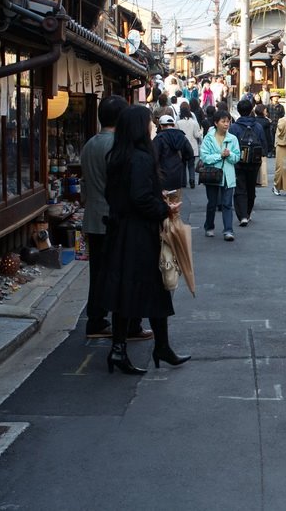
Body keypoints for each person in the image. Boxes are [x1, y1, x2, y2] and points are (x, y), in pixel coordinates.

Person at [102, 105, 190, 374]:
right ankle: (153, 347)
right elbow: (140, 198)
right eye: (147, 123)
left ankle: (127, 349)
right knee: (152, 287)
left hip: (121, 231)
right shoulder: (139, 158)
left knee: (127, 290)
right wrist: (164, 208)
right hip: (139, 234)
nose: (151, 126)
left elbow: (119, 195)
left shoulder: (117, 156)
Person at [80, 96, 153, 342]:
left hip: (92, 216)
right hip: (114, 218)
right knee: (123, 274)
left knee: (98, 273)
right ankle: (129, 325)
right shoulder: (118, 146)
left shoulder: (90, 143)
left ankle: (96, 320)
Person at [200, 109, 241, 241]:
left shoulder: (232, 138)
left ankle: (228, 231)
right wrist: (220, 155)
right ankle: (209, 226)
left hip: (228, 176)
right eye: (223, 121)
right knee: (212, 203)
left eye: (228, 121)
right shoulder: (208, 138)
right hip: (212, 174)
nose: (226, 124)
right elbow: (205, 157)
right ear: (216, 123)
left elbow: (237, 157)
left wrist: (230, 155)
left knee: (227, 204)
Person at [228, 99, 269, 226]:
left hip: (239, 161)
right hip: (254, 162)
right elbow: (263, 144)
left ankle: (242, 216)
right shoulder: (257, 126)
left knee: (240, 187)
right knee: (251, 187)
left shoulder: (234, 127)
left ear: (239, 111)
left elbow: (229, 145)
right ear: (251, 110)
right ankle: (248, 212)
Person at [153, 115, 194, 199]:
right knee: (176, 205)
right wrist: (182, 160)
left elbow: (154, 157)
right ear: (173, 125)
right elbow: (190, 153)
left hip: (162, 177)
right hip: (177, 176)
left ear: (161, 126)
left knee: (163, 206)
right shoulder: (181, 136)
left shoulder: (159, 138)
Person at [176, 103, 203, 189]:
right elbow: (197, 135)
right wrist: (201, 132)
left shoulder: (178, 123)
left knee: (183, 164)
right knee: (191, 165)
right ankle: (192, 180)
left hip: (182, 146)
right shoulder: (194, 123)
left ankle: (183, 182)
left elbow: (176, 134)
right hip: (192, 147)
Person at [253, 103, 273, 186]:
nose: (266, 112)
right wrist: (270, 147)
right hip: (262, 144)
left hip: (254, 144)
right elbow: (268, 136)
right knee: (260, 163)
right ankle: (260, 180)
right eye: (265, 110)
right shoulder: (266, 122)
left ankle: (254, 179)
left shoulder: (253, 120)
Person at [266, 91, 285, 159]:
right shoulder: (268, 106)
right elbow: (266, 115)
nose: (276, 98)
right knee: (270, 139)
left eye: (277, 97)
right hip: (270, 125)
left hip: (278, 125)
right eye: (274, 96)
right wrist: (268, 119)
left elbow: (282, 116)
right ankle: (270, 151)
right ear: (272, 98)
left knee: (277, 139)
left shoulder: (281, 107)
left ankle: (275, 152)